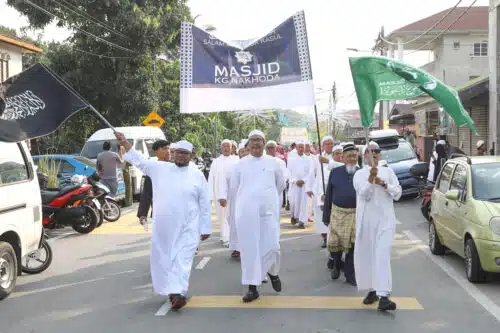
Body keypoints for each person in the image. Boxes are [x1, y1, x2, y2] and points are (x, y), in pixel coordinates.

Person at [116, 132, 211, 311]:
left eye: (185, 153)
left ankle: (178, 293)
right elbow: (139, 160)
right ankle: (173, 291)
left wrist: (205, 227)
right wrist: (126, 144)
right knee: (166, 259)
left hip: (189, 226)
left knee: (183, 259)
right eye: (178, 152)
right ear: (172, 153)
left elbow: (205, 202)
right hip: (164, 227)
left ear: (190, 156)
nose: (181, 156)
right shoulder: (160, 168)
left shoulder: (197, 174)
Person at [230, 129, 286, 302]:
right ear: (248, 143)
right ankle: (252, 288)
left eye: (259, 140)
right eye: (252, 140)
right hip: (247, 214)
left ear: (264, 143)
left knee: (273, 247)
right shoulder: (239, 164)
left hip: (268, 213)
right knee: (250, 250)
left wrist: (265, 198)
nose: (255, 143)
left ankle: (273, 272)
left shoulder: (275, 163)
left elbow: (280, 185)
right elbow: (235, 187)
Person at [353, 141, 402, 311]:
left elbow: (398, 193)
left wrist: (383, 184)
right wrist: (371, 180)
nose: (373, 154)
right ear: (364, 155)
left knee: (382, 255)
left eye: (376, 151)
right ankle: (373, 290)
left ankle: (384, 296)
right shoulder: (359, 174)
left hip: (385, 221)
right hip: (367, 222)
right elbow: (364, 194)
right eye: (369, 151)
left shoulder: (388, 171)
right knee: (368, 256)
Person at [322, 143, 359, 286]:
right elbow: (329, 195)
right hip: (337, 213)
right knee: (334, 244)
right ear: (343, 158)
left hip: (355, 214)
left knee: (352, 245)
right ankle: (337, 263)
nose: (352, 159)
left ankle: (350, 275)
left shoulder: (362, 173)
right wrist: (326, 216)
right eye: (349, 156)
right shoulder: (335, 172)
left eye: (354, 156)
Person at [306, 137, 341, 248]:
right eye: (327, 144)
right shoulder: (317, 158)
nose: (330, 145)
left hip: (334, 189)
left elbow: (342, 166)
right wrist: (309, 188)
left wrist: (329, 161)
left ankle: (336, 237)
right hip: (320, 189)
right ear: (323, 145)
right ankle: (325, 237)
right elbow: (312, 173)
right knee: (322, 215)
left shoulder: (338, 154)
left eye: (331, 143)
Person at [208, 139, 239, 247]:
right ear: (221, 148)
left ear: (232, 148)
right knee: (222, 216)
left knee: (231, 215)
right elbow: (211, 178)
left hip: (233, 194)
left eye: (228, 146)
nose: (226, 148)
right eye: (224, 146)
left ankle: (229, 237)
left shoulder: (236, 160)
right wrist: (210, 195)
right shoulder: (216, 161)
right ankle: (224, 236)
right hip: (219, 194)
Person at [137, 139, 170, 225]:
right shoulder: (153, 170)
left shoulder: (175, 167)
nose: (168, 151)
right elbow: (147, 193)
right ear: (156, 152)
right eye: (164, 149)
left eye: (168, 148)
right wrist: (143, 214)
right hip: (160, 214)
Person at [287, 140, 312, 229]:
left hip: (304, 185)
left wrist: (304, 180)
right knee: (293, 202)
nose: (301, 148)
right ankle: (294, 216)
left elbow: (310, 172)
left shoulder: (308, 159)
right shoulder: (291, 159)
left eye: (303, 147)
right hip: (294, 184)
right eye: (299, 147)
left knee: (303, 204)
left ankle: (302, 221)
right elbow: (288, 172)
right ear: (296, 148)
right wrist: (295, 180)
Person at [265, 140, 290, 207]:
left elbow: (285, 176)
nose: (270, 149)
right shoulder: (262, 161)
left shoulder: (280, 162)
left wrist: (276, 189)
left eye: (272, 147)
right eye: (268, 148)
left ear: (275, 149)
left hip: (277, 192)